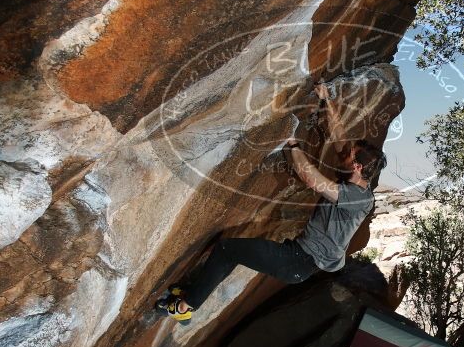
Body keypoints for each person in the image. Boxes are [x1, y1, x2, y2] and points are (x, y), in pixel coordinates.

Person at [158, 84, 387, 324]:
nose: (346, 152)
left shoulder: (359, 198)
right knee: (230, 252)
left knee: (227, 250)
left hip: (297, 262)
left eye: (351, 154)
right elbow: (340, 136)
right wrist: (326, 100)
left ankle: (184, 307)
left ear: (358, 167)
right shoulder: (356, 178)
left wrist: (291, 141)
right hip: (298, 256)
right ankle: (190, 295)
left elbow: (311, 178)